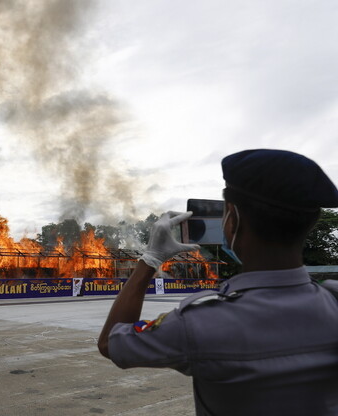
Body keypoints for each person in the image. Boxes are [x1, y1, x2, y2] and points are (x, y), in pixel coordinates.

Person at [98, 149, 338, 416]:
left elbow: (111, 342)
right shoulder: (334, 301)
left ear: (233, 220)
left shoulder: (199, 323)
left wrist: (150, 259)